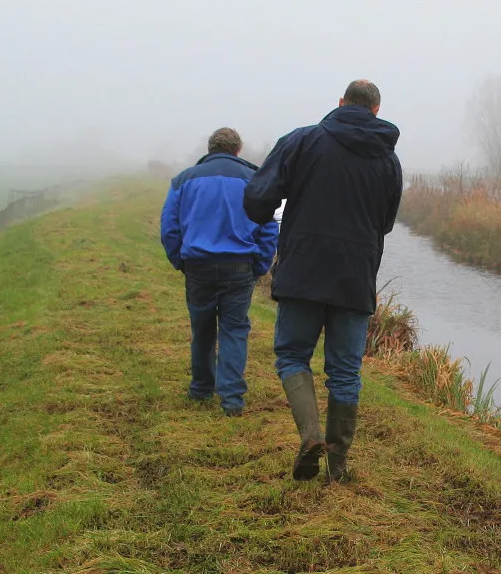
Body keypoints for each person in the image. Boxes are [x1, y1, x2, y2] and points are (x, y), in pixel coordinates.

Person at [244, 80, 402, 481]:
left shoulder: (302, 142)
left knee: (293, 356)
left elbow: (259, 200)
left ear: (340, 103)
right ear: (377, 110)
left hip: (303, 272)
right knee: (345, 372)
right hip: (355, 277)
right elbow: (384, 224)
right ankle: (338, 466)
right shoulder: (388, 160)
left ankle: (311, 435)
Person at [160, 128, 278, 417]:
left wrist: (181, 262)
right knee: (235, 330)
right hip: (239, 267)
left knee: (202, 329)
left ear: (210, 148)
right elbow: (269, 227)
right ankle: (232, 400)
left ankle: (201, 389)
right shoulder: (254, 179)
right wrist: (259, 266)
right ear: (238, 149)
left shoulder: (185, 179)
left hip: (198, 266)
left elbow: (169, 227)